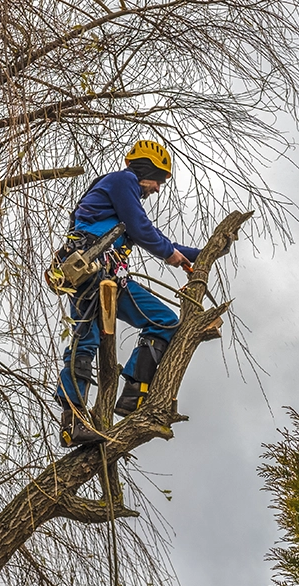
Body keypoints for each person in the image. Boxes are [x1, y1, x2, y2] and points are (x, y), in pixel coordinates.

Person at [54, 140, 200, 447]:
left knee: (164, 321)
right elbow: (141, 228)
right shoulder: (122, 181)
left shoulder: (124, 196)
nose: (158, 188)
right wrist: (170, 255)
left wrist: (200, 253)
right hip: (91, 272)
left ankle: (133, 395)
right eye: (159, 179)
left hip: (111, 278)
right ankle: (74, 424)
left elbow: (148, 233)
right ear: (147, 169)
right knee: (86, 339)